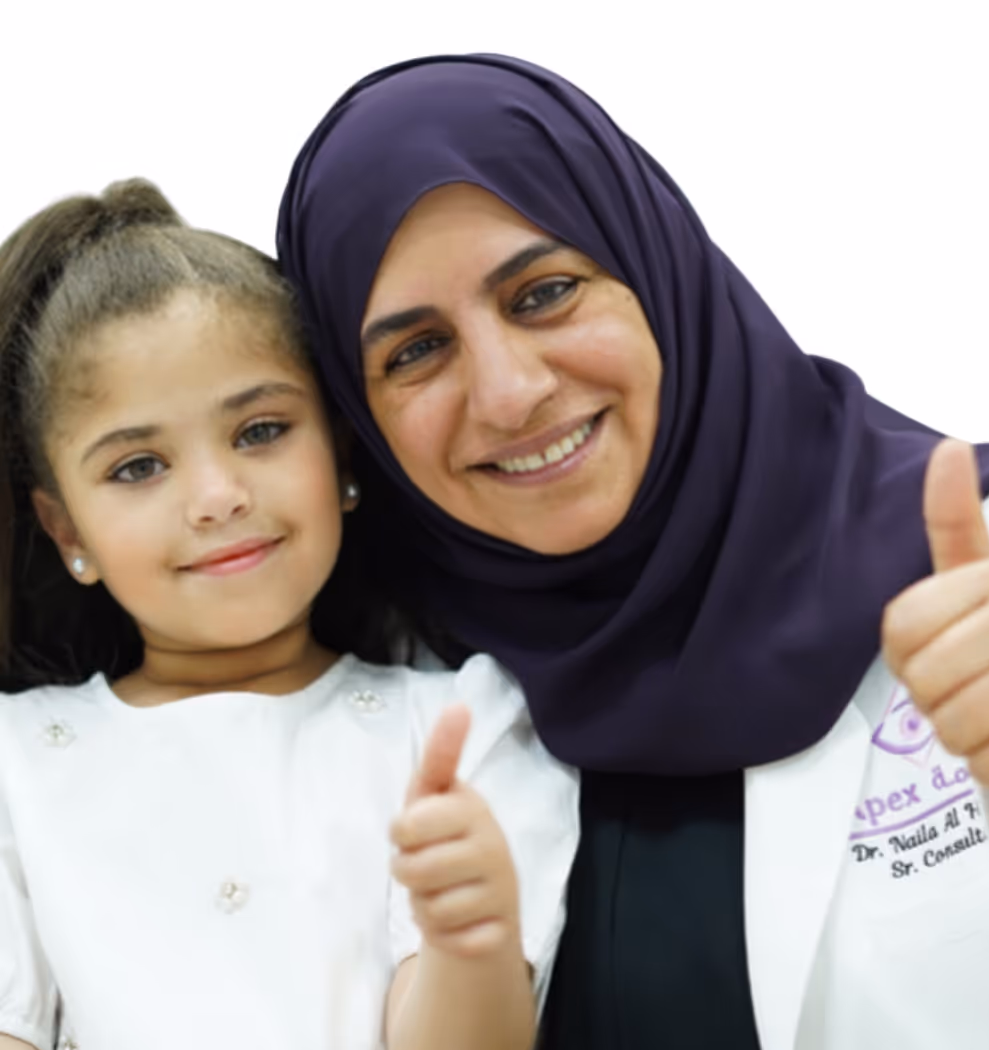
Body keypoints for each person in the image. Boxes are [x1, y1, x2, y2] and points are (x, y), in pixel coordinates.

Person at [277, 54, 989, 1050]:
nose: (508, 393)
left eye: (544, 293)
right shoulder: (379, 693)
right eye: (414, 352)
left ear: (657, 269)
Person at [0, 179, 577, 1050]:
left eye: (261, 431)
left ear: (342, 457)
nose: (216, 497)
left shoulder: (463, 727)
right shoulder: (17, 771)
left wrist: (472, 939)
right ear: (66, 529)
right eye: (137, 467)